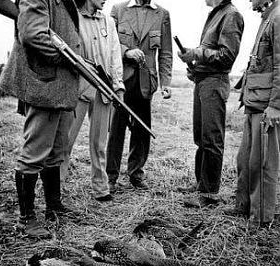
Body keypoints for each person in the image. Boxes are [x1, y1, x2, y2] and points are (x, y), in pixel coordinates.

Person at [0, 0, 81, 238]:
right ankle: (26, 219)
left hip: (60, 88)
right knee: (35, 153)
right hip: (44, 85)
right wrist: (67, 58)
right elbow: (32, 36)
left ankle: (53, 207)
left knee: (56, 150)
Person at [177, 0, 244, 208]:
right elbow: (212, 54)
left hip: (215, 84)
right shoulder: (217, 13)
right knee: (201, 137)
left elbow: (227, 58)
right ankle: (201, 185)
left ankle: (208, 193)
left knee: (212, 139)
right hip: (205, 81)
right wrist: (196, 67)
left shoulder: (231, 15)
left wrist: (196, 53)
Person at [60, 0, 125, 202]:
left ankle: (101, 188)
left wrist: (118, 86)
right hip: (77, 87)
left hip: (104, 88)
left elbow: (115, 55)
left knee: (99, 142)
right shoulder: (72, 16)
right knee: (65, 141)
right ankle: (56, 190)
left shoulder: (108, 21)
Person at [106, 0, 173, 192]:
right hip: (121, 81)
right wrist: (126, 52)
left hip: (146, 83)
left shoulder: (162, 14)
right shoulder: (118, 10)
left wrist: (166, 82)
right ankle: (110, 176)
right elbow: (108, 43)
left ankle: (136, 174)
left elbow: (166, 52)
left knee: (142, 130)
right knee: (116, 129)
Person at [225, 0, 280, 227]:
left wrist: (276, 105)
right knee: (246, 160)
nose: (249, 0)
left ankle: (261, 218)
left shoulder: (277, 17)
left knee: (263, 163)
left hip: (267, 105)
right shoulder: (268, 16)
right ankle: (244, 207)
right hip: (255, 102)